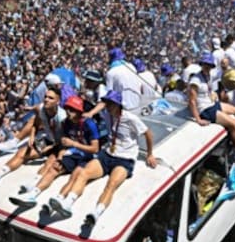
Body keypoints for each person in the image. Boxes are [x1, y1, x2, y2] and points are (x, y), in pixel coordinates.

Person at [48, 90, 156, 225]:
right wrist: (91, 113)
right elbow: (101, 104)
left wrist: (150, 154)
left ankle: (96, 213)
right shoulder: (108, 115)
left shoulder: (130, 118)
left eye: (111, 104)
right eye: (107, 103)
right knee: (84, 173)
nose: (108, 106)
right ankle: (68, 203)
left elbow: (148, 134)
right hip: (107, 154)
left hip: (125, 159)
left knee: (111, 184)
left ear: (117, 105)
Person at [9, 95, 99, 207]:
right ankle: (33, 195)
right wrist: (60, 158)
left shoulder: (89, 124)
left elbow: (95, 149)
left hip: (87, 157)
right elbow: (63, 144)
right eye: (67, 108)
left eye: (72, 110)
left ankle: (63, 200)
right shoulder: (66, 123)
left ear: (78, 111)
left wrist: (74, 144)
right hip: (73, 153)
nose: (68, 112)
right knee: (54, 168)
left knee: (76, 176)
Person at [0, 87, 66, 186]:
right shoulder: (41, 109)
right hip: (49, 140)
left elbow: (67, 139)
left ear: (58, 101)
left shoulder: (62, 117)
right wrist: (32, 135)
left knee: (51, 163)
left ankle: (33, 185)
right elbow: (36, 123)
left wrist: (51, 147)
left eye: (51, 98)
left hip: (61, 145)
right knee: (21, 152)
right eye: (45, 97)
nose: (46, 99)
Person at [187, 52, 235, 168]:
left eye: (209, 65)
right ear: (202, 64)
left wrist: (212, 95)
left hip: (211, 104)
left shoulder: (208, 76)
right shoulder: (195, 81)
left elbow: (209, 89)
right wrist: (198, 119)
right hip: (205, 110)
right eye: (206, 64)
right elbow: (192, 101)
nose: (207, 67)